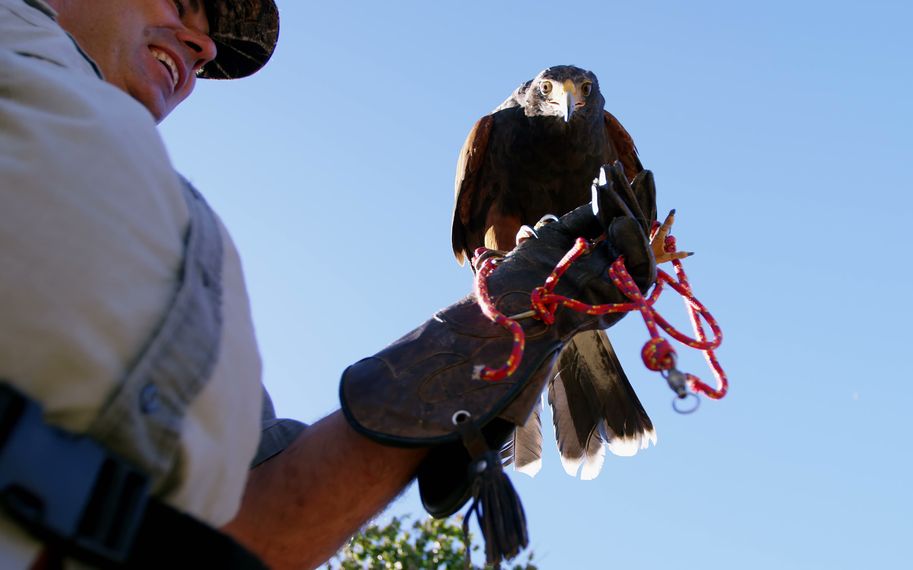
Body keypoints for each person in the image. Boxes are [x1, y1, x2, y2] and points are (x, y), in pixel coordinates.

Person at [0, 1, 656, 568]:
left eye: (209, 49)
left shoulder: (199, 263)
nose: (201, 45)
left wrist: (501, 335)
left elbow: (264, 528)